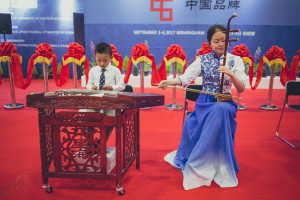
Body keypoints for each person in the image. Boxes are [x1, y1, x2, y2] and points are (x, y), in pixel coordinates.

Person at [158, 25, 247, 190]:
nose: (221, 44)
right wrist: (168, 81)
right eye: (216, 41)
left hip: (225, 102)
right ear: (209, 43)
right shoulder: (203, 59)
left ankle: (216, 162)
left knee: (220, 110)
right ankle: (202, 161)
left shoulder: (236, 60)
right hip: (205, 102)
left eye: (224, 40)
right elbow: (186, 77)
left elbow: (241, 88)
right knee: (204, 115)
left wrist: (231, 74)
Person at [83, 42, 125, 152]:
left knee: (111, 120)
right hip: (95, 101)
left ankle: (101, 143)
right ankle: (90, 143)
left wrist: (112, 87)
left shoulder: (115, 71)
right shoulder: (93, 70)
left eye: (105, 61)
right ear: (95, 57)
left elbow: (122, 86)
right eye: (99, 60)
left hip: (110, 102)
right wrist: (91, 87)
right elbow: (88, 84)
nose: (102, 63)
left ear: (111, 57)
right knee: (88, 118)